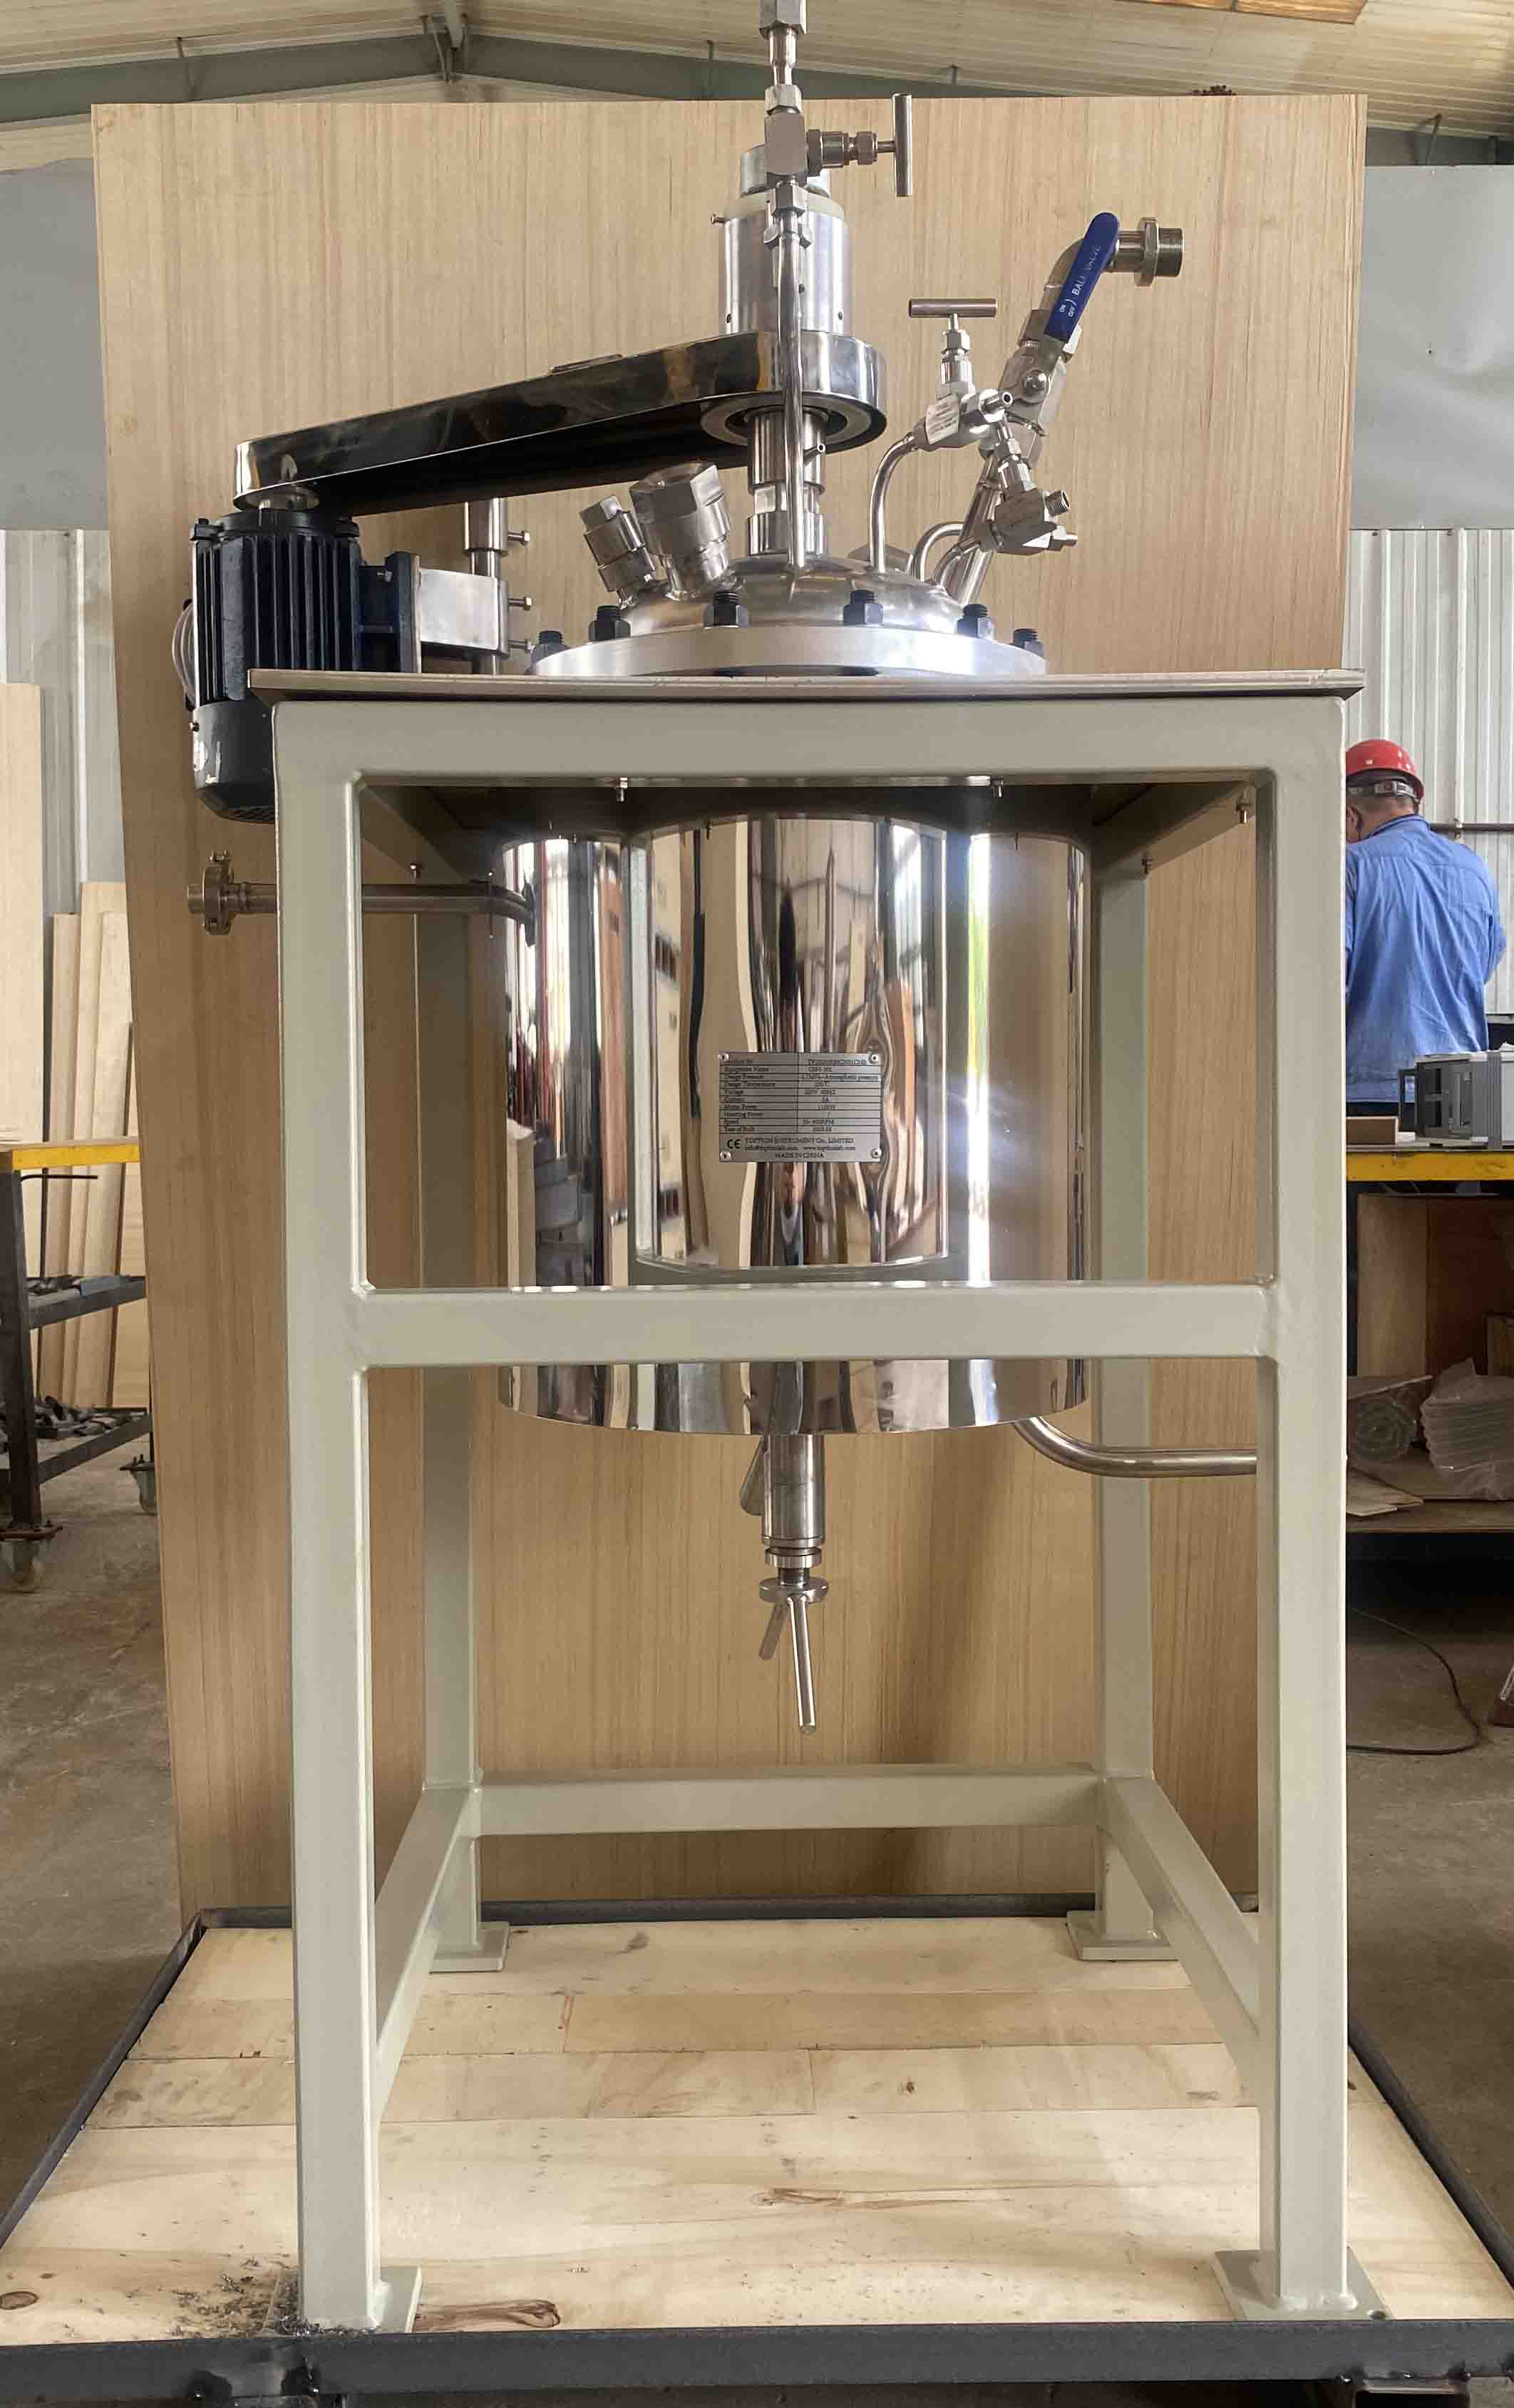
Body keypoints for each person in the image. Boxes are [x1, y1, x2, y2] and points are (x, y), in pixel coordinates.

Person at [1344, 738, 1505, 1111]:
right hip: (1461, 1093)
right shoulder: (1474, 869)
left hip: (1373, 1091)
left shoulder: (1352, 866)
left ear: (1351, 814)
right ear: (1415, 801)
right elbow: (1481, 967)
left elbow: (1330, 979)